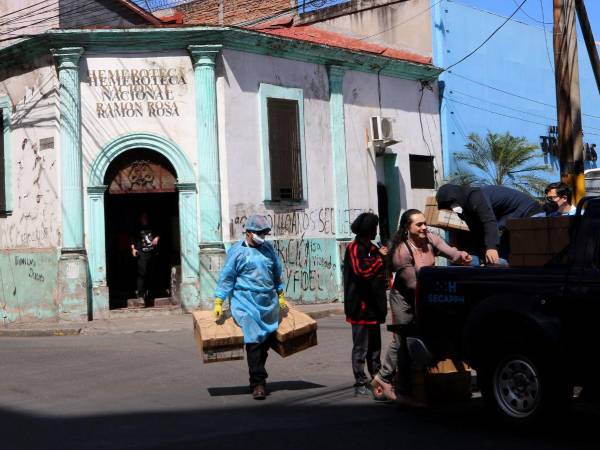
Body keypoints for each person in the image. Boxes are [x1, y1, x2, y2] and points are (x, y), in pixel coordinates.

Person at [370, 209, 471, 404]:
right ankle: (391, 383)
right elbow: (414, 285)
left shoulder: (431, 239)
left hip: (425, 294)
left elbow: (451, 252)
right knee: (402, 340)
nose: (424, 227)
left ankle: (409, 379)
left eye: (425, 223)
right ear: (407, 228)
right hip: (405, 298)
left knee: (418, 337)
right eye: (419, 224)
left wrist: (462, 257)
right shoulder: (402, 252)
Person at [213, 214, 286, 400]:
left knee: (264, 344)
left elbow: (277, 271)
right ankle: (258, 383)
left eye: (265, 233)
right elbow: (227, 277)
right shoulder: (237, 252)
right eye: (260, 233)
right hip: (245, 303)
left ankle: (258, 374)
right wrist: (219, 300)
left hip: (268, 304)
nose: (263, 236)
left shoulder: (268, 249)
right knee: (253, 342)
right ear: (249, 233)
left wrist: (280, 293)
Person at [436, 184, 543, 265]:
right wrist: (472, 253)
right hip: (508, 219)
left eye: (451, 204)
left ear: (457, 197)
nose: (452, 208)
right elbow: (475, 230)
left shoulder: (475, 196)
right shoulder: (461, 209)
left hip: (528, 212)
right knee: (493, 255)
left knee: (504, 254)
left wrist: (491, 247)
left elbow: (488, 221)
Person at [343, 212, 388, 396]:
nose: (376, 231)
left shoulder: (372, 247)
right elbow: (362, 271)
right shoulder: (354, 248)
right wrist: (379, 259)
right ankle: (360, 381)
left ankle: (376, 377)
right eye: (374, 228)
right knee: (361, 347)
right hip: (359, 307)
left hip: (373, 307)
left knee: (375, 347)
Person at [131, 212, 159, 305]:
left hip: (152, 253)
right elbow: (132, 239)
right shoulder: (137, 228)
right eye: (143, 217)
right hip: (142, 253)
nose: (144, 219)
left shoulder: (153, 226)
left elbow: (159, 233)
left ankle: (150, 294)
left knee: (151, 273)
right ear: (140, 218)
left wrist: (157, 238)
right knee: (142, 274)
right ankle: (140, 295)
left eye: (146, 217)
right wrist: (133, 249)